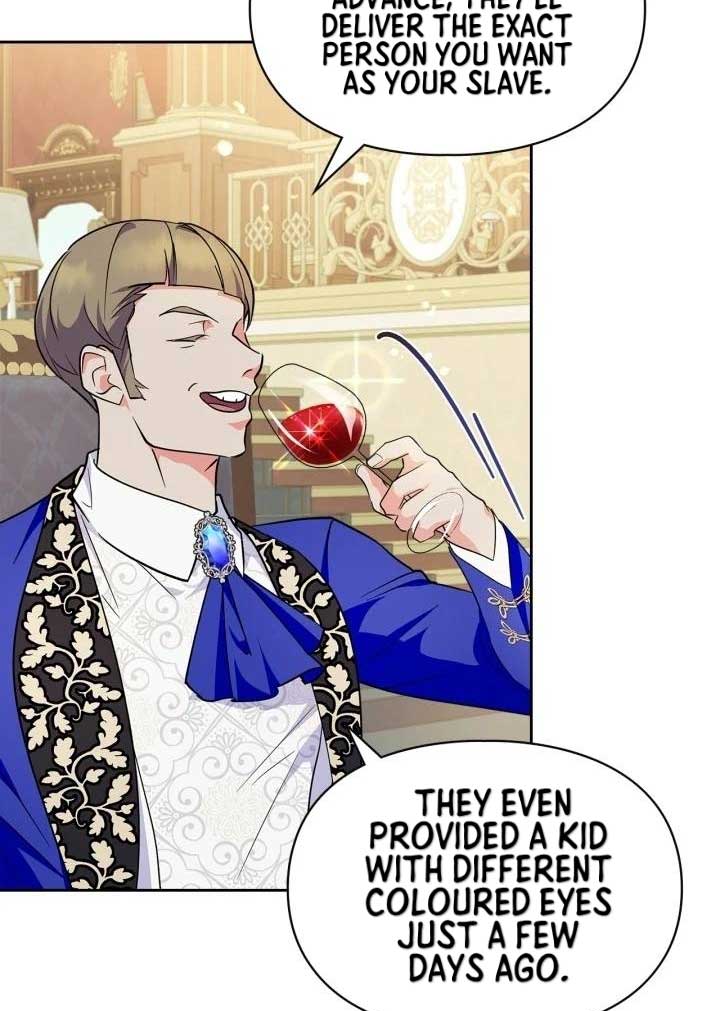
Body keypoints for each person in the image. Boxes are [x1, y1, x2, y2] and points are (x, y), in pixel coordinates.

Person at [0, 217, 531, 890]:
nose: (246, 360)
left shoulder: (321, 564)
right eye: (192, 335)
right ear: (105, 374)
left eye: (240, 331)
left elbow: (531, 676)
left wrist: (479, 536)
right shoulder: (10, 576)